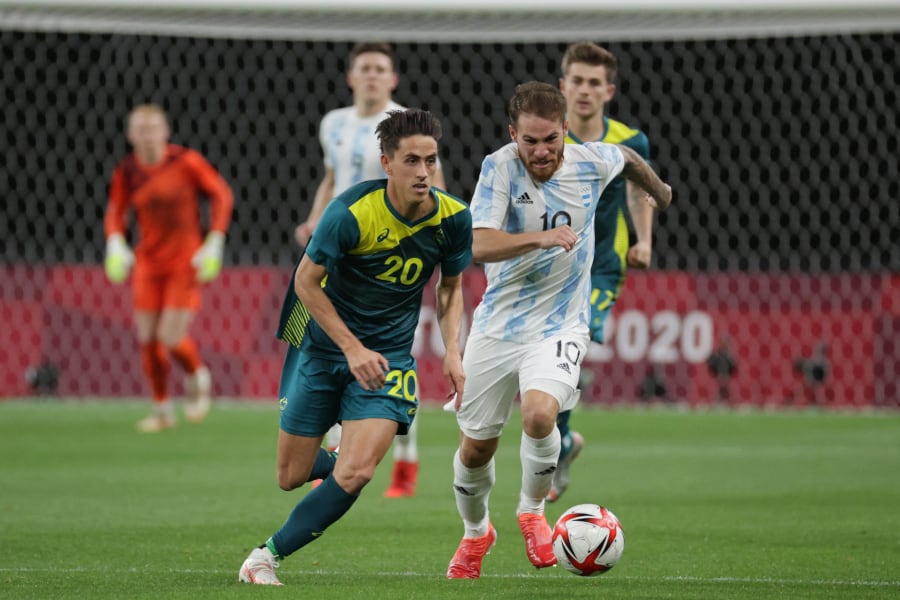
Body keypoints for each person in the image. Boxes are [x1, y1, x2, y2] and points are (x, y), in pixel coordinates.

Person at [446, 81, 671, 579]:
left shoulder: (591, 160)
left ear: (566, 130)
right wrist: (541, 238)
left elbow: (628, 158)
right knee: (476, 446)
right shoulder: (498, 167)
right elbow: (478, 246)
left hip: (561, 323)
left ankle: (532, 512)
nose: (541, 151)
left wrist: (659, 191)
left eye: (551, 139)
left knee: (540, 415)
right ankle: (476, 533)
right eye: (530, 141)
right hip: (498, 325)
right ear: (513, 135)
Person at [239, 109, 472, 586]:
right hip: (323, 350)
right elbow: (306, 283)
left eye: (431, 159)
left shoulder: (453, 218)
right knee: (290, 474)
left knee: (358, 472)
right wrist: (350, 348)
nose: (424, 172)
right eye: (412, 160)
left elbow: (450, 289)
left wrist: (453, 350)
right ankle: (334, 453)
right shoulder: (350, 212)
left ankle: (265, 557)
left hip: (388, 360)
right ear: (387, 162)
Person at [294, 42, 446, 497]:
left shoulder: (403, 126)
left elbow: (429, 184)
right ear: (351, 77)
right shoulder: (333, 123)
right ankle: (340, 449)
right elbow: (330, 176)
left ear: (393, 79)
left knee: (386, 360)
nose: (373, 76)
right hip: (339, 248)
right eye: (366, 68)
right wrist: (315, 219)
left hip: (386, 256)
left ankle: (405, 460)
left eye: (381, 69)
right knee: (329, 345)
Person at [547, 41, 658, 503]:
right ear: (563, 85)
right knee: (549, 365)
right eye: (578, 80)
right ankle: (563, 442)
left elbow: (641, 191)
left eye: (595, 83)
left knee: (576, 338)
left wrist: (644, 238)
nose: (585, 90)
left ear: (608, 90)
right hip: (551, 272)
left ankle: (558, 447)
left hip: (602, 270)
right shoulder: (545, 139)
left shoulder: (629, 141)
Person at [103, 103, 233, 432]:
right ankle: (161, 409)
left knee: (171, 336)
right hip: (148, 261)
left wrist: (214, 240)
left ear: (165, 131)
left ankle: (196, 373)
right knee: (147, 337)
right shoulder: (127, 171)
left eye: (153, 129)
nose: (147, 136)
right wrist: (115, 241)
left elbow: (221, 195)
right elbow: (116, 210)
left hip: (185, 260)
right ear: (131, 135)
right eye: (140, 130)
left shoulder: (185, 162)